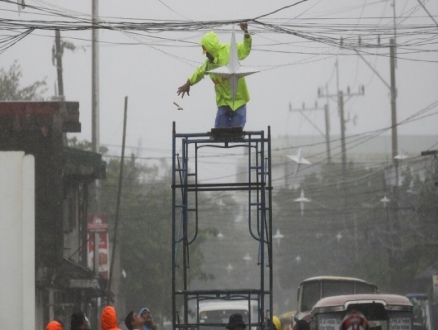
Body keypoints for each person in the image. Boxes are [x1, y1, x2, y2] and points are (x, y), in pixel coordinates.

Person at [177, 22, 252, 129]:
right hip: (223, 102)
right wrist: (188, 83)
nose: (205, 53)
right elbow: (199, 72)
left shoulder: (229, 51)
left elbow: (245, 50)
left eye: (205, 50)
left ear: (211, 48)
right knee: (219, 132)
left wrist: (246, 32)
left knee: (237, 131)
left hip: (238, 100)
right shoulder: (209, 64)